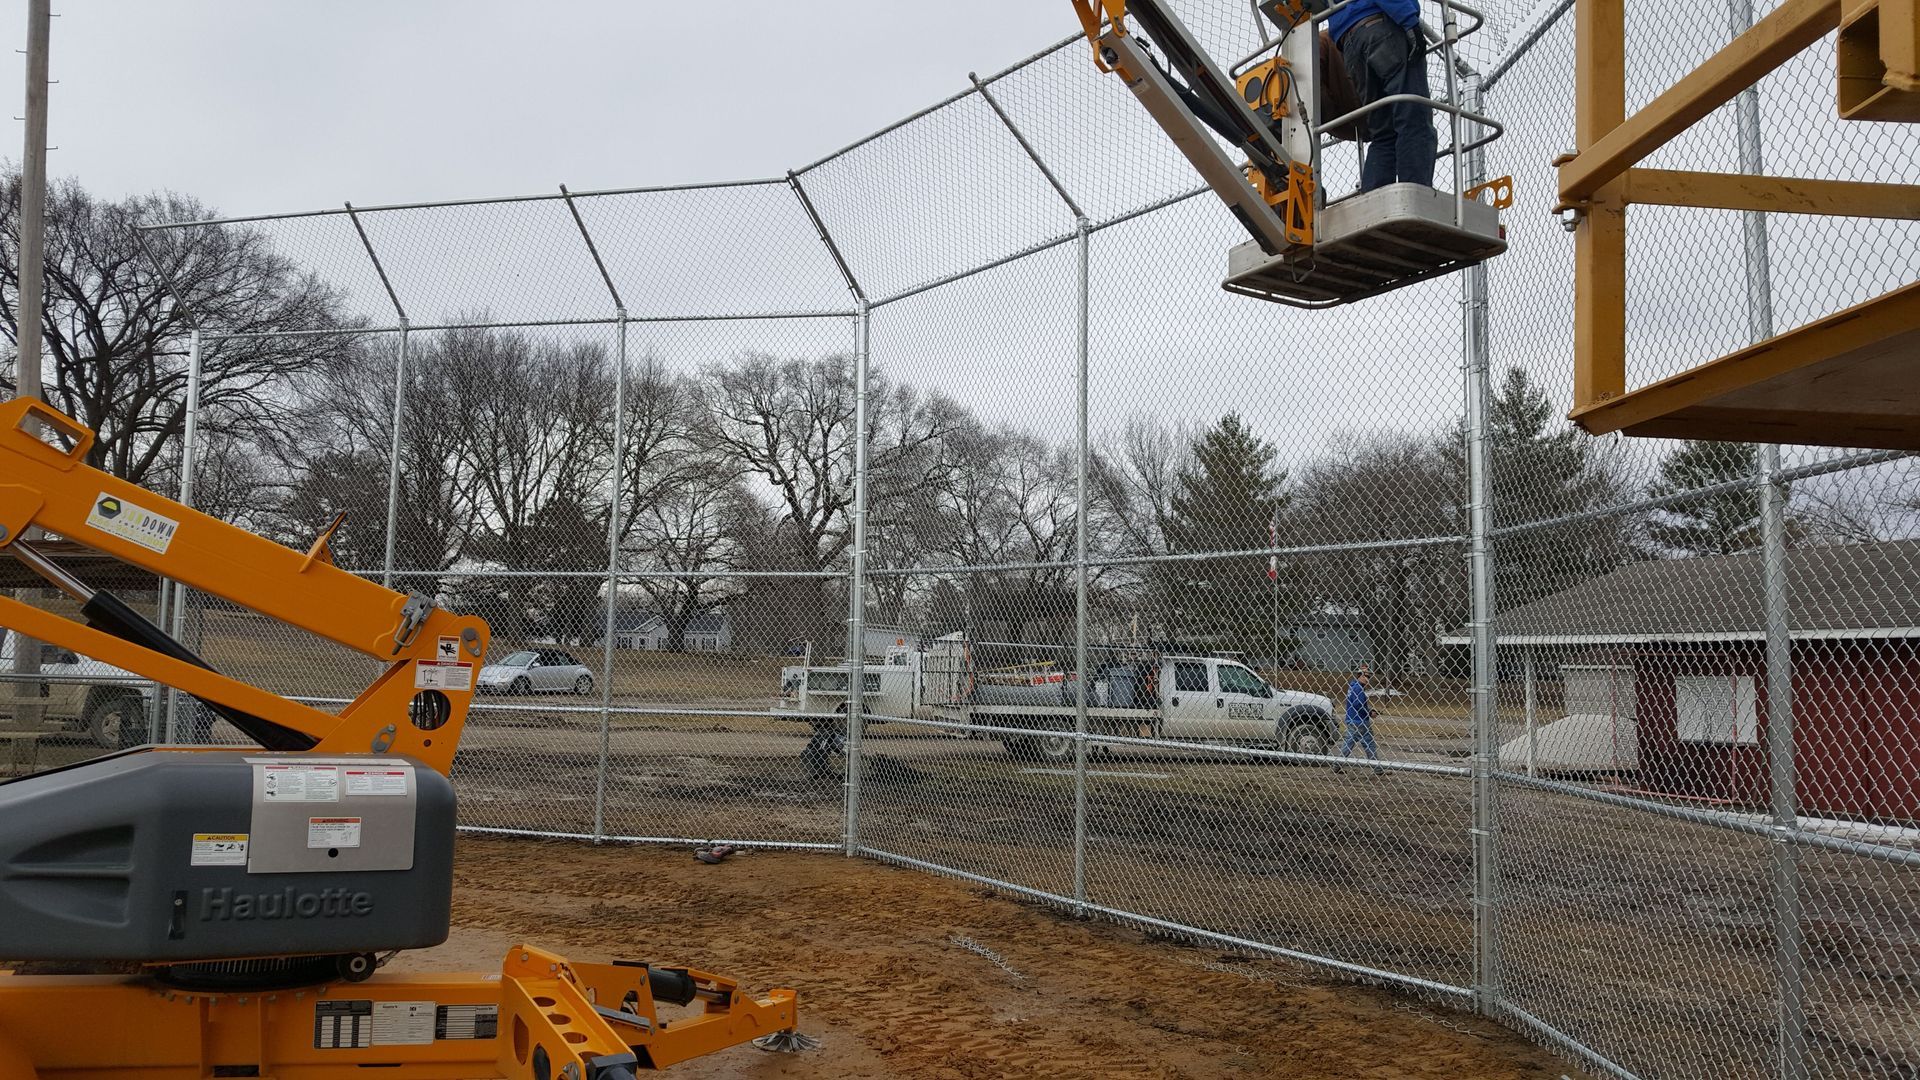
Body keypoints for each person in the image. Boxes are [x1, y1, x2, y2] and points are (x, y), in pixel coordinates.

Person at [1326, 0, 1438, 192]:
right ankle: (1415, 195)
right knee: (1414, 117)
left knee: (1383, 133)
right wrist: (1409, 20)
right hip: (1380, 25)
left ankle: (1374, 199)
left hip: (1350, 42)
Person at [1334, 665, 1383, 775]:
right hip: (1360, 721)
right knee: (1369, 744)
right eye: (1366, 676)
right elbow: (1358, 704)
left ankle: (1337, 765)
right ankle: (1378, 769)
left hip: (1352, 719)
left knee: (1348, 744)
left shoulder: (1353, 686)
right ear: (1360, 676)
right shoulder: (1358, 688)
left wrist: (1369, 710)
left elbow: (1358, 703)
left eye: (1369, 676)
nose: (1368, 679)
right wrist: (1369, 712)